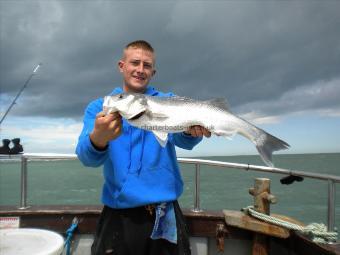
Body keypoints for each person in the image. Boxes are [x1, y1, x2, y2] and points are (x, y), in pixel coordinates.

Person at [76, 40, 211, 255]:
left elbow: (183, 141)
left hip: (165, 212)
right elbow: (87, 158)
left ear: (153, 72)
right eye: (135, 63)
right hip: (118, 215)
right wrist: (98, 138)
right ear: (122, 66)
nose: (140, 69)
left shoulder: (168, 101)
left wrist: (189, 132)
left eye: (146, 65)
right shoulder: (100, 107)